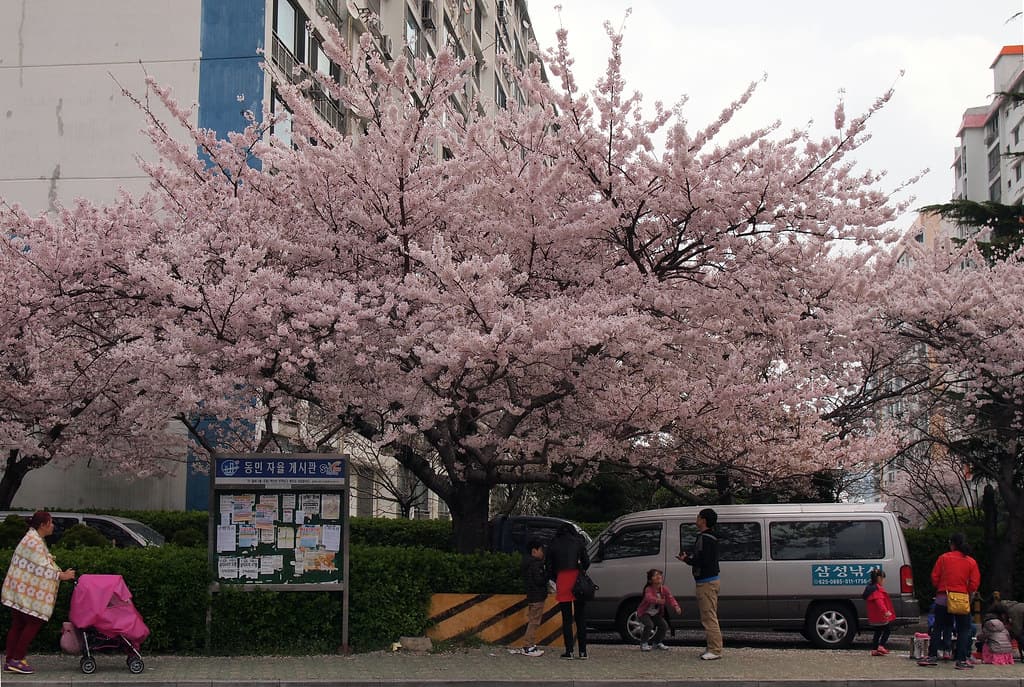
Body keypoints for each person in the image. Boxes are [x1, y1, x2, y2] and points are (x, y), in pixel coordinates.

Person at [2, 511, 76, 674]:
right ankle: (18, 659)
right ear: (43, 525)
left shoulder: (31, 538)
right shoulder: (34, 541)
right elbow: (42, 567)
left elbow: (38, 564)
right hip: (26, 593)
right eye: (51, 523)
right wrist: (62, 575)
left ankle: (10, 660)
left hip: (18, 589)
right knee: (34, 621)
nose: (53, 526)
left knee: (19, 624)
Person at [917, 532, 980, 670]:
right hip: (961, 599)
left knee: (938, 627)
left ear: (952, 544)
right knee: (964, 629)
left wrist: (940, 587)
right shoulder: (971, 561)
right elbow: (974, 584)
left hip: (943, 597)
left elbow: (934, 577)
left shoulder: (943, 558)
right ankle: (961, 660)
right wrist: (966, 592)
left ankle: (932, 656)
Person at [676, 507, 721, 660]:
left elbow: (702, 560)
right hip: (710, 580)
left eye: (698, 516)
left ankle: (715, 650)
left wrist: (687, 559)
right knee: (709, 615)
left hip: (706, 582)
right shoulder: (711, 537)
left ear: (703, 520)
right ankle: (711, 647)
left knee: (709, 617)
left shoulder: (705, 538)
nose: (696, 519)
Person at [547, 523, 590, 660]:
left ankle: (569, 651)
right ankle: (583, 652)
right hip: (577, 578)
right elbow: (587, 562)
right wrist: (580, 570)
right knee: (580, 617)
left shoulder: (554, 543)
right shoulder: (578, 541)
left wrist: (556, 577)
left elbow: (549, 565)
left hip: (563, 579)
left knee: (567, 618)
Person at [637, 568, 681, 651]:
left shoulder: (664, 589)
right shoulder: (648, 589)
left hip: (655, 613)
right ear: (650, 581)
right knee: (649, 625)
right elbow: (648, 598)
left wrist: (676, 606)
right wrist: (658, 601)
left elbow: (671, 598)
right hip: (644, 613)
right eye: (655, 575)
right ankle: (644, 643)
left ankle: (657, 643)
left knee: (664, 625)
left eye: (659, 575)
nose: (658, 576)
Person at [518, 540, 548, 657]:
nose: (542, 553)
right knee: (534, 622)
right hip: (537, 595)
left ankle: (529, 644)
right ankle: (528, 646)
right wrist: (546, 574)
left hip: (531, 595)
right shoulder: (536, 564)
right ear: (534, 551)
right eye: (541, 550)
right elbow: (539, 580)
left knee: (532, 620)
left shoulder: (527, 563)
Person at [861, 568, 895, 656]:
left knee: (877, 632)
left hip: (874, 617)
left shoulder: (869, 588)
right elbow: (880, 602)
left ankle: (874, 649)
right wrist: (885, 612)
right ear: (879, 578)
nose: (884, 581)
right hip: (880, 617)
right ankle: (881, 646)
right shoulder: (877, 590)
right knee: (887, 630)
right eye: (883, 579)